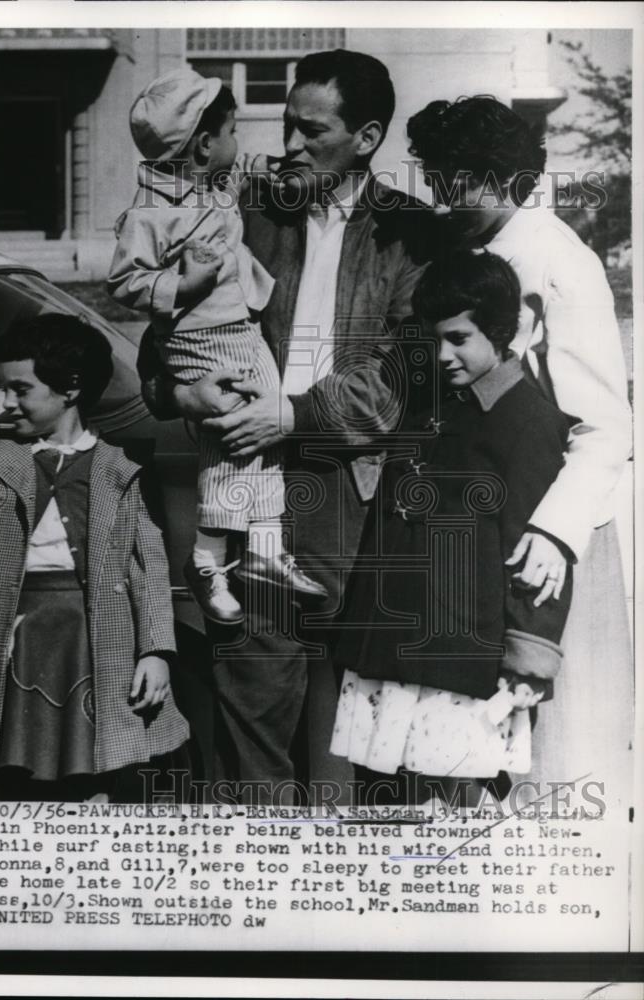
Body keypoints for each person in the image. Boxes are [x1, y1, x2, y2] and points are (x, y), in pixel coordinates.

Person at [136, 50, 434, 800]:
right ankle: (258, 887)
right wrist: (184, 389)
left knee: (376, 736)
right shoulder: (242, 212)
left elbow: (409, 378)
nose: (290, 146)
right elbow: (160, 342)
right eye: (287, 127)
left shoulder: (412, 235)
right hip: (247, 491)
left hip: (357, 500)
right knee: (251, 723)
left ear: (365, 139)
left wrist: (295, 415)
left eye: (312, 131)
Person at [406, 96, 633, 808]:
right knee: (473, 750)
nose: (444, 199)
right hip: (481, 522)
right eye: (436, 180)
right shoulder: (477, 259)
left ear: (505, 178)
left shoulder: (560, 260)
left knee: (552, 753)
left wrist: (554, 533)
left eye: (460, 182)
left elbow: (604, 426)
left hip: (548, 538)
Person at [0, 313, 189, 801]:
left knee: (94, 763)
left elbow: (150, 568)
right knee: (9, 762)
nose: (6, 402)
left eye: (20, 389)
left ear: (71, 388)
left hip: (97, 640)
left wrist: (156, 651)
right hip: (15, 636)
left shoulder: (121, 467)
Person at [331, 252, 573, 804]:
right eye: (432, 338)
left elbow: (538, 556)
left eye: (459, 338)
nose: (442, 355)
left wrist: (528, 659)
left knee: (455, 811)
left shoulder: (528, 422)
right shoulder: (428, 406)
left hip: (462, 660)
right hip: (389, 652)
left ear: (499, 331)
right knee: (382, 803)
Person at [108, 67, 327, 627]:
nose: (241, 141)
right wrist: (181, 286)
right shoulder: (150, 210)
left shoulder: (212, 184)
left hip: (241, 327)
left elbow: (248, 179)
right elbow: (123, 281)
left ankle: (265, 547)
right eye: (232, 130)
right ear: (205, 145)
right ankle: (208, 558)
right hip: (199, 337)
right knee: (231, 435)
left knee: (268, 419)